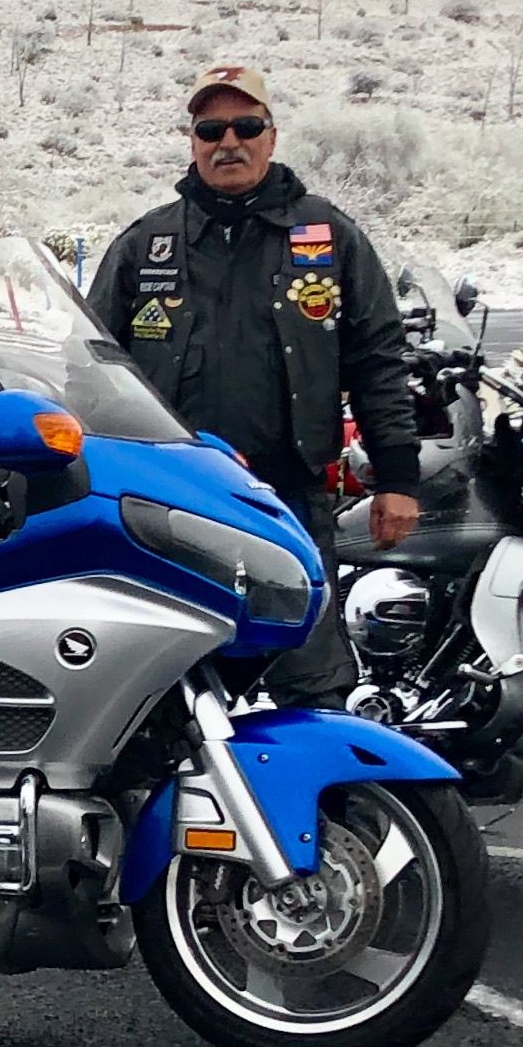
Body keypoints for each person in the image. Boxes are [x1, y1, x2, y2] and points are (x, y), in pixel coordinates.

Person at [87, 65, 421, 706]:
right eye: (211, 130)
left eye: (245, 126)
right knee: (162, 682)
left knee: (310, 680)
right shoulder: (147, 244)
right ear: (192, 142)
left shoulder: (328, 238)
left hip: (287, 499)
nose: (228, 143)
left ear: (271, 136)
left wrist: (398, 478)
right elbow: (93, 368)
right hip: (172, 502)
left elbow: (378, 360)